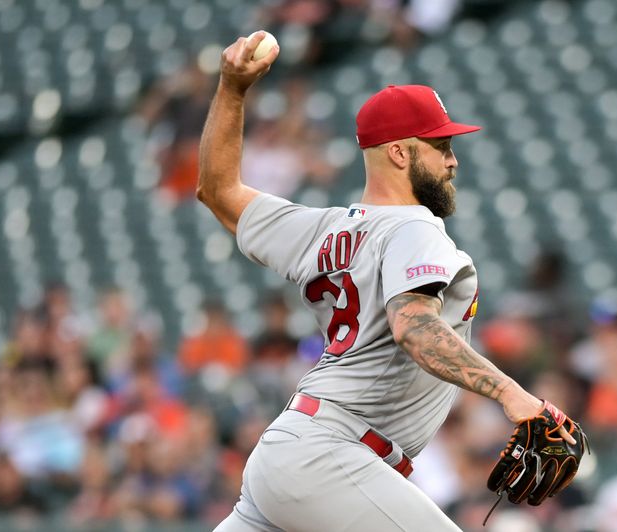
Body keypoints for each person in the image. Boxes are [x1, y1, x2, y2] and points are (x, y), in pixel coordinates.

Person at [197, 32, 577, 531]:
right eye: (440, 145)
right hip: (331, 455)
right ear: (399, 153)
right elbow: (414, 326)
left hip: (292, 455)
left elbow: (217, 190)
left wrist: (231, 88)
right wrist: (513, 395)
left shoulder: (323, 228)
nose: (452, 160)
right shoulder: (415, 225)